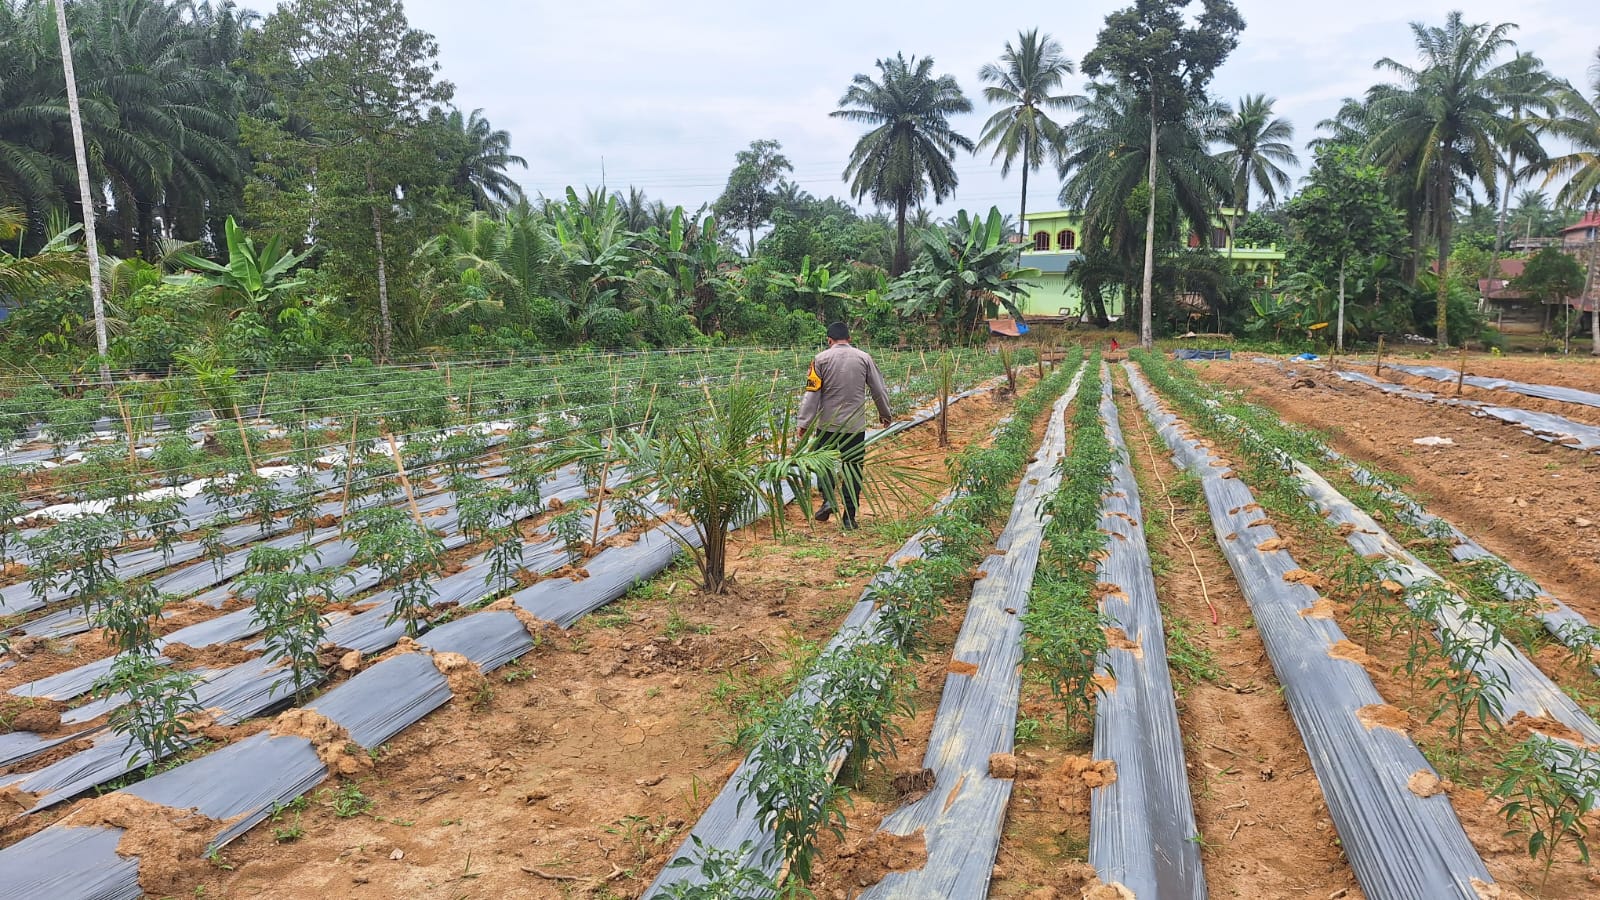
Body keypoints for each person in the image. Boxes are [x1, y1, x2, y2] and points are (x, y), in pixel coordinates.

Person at [796, 322, 892, 531]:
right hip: (854, 427)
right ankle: (849, 517)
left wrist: (804, 422)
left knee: (823, 463)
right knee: (853, 469)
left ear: (829, 340)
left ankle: (829, 499)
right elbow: (878, 389)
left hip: (827, 425)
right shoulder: (864, 358)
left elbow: (812, 393)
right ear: (849, 339)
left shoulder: (820, 360)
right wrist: (885, 414)